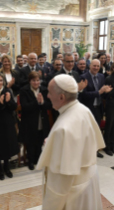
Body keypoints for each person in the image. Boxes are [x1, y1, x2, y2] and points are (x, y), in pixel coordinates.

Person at [36, 74, 105, 210]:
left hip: (74, 195)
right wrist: (54, 142)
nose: (48, 96)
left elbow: (60, 184)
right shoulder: (83, 109)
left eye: (49, 93)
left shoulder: (63, 128)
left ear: (61, 97)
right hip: (88, 181)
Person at [79, 59, 113, 158]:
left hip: (98, 108)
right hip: (87, 109)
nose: (96, 68)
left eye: (98, 66)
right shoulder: (83, 77)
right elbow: (84, 94)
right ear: (89, 66)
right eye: (94, 66)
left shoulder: (101, 76)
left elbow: (102, 93)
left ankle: (94, 150)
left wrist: (106, 92)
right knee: (86, 131)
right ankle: (84, 152)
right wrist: (99, 92)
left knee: (95, 131)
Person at [19, 71, 51, 170]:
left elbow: (49, 105)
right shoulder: (24, 90)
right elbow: (24, 107)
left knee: (40, 139)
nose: (36, 83)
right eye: (34, 81)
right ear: (30, 81)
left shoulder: (44, 90)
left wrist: (42, 102)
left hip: (42, 119)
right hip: (29, 120)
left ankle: (38, 159)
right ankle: (31, 161)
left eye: (38, 80)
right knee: (31, 141)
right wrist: (37, 102)